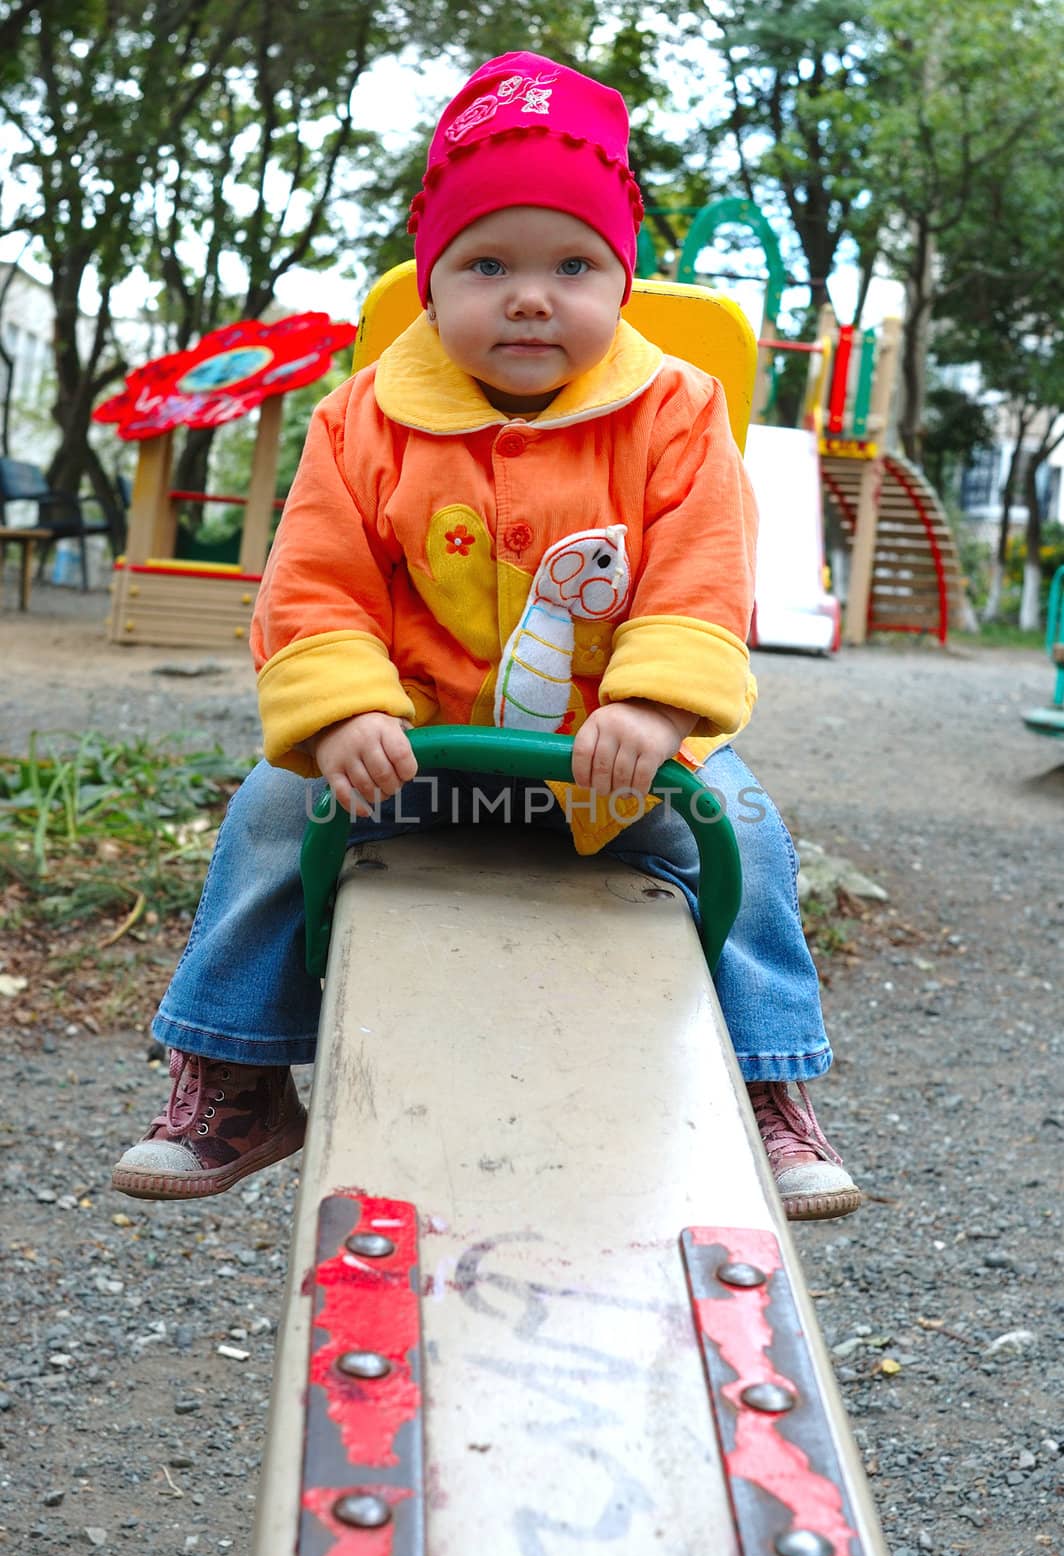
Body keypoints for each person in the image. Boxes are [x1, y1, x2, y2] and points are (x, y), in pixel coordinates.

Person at [112, 52, 861, 1222]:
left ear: (620, 279)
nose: (528, 296)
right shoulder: (363, 417)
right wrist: (347, 710)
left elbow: (704, 568)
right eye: (486, 265)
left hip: (607, 766)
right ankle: (240, 1072)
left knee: (750, 834)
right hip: (413, 759)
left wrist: (654, 707)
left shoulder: (671, 412)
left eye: (571, 265)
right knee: (269, 807)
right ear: (428, 282)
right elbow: (316, 581)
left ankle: (763, 1086)